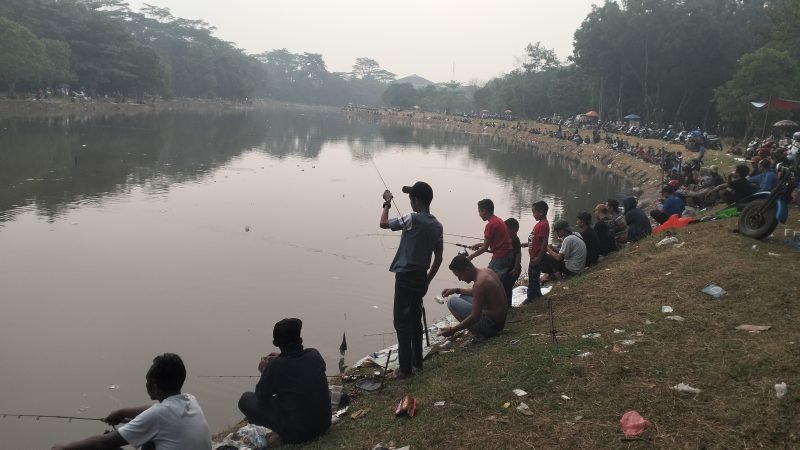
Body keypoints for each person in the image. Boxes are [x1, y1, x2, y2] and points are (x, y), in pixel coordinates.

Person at [52, 353, 211, 450]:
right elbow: (157, 412)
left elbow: (104, 443)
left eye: (147, 381)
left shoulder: (158, 415)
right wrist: (123, 413)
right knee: (148, 440)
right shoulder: (190, 400)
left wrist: (64, 448)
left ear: (154, 387)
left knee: (104, 445)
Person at [379, 181, 443, 378]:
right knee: (415, 321)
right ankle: (417, 363)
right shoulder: (437, 225)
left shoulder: (412, 219)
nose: (409, 201)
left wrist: (387, 203)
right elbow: (438, 258)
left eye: (410, 198)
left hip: (406, 277)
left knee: (401, 322)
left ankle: (405, 369)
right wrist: (428, 281)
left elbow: (383, 223)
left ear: (416, 200)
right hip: (421, 277)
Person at [238, 318, 331, 445]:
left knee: (245, 399)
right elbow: (299, 369)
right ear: (301, 340)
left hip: (297, 434)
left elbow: (261, 398)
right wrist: (282, 358)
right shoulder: (314, 354)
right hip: (324, 424)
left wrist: (265, 371)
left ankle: (280, 433)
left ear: (275, 343)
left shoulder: (275, 366)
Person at [439, 255, 508, 340]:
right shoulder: (487, 271)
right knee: (463, 296)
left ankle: (477, 335)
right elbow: (479, 293)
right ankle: (478, 332)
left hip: (491, 327)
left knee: (452, 302)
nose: (460, 279)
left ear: (467, 269)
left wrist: (452, 330)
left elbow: (475, 316)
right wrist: (456, 290)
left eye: (460, 276)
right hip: (500, 322)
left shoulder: (479, 284)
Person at [468, 199, 513, 279]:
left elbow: (485, 248)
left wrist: (471, 257)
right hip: (508, 255)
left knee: (488, 279)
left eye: (479, 211)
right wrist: (478, 244)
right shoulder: (498, 220)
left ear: (484, 211)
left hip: (501, 257)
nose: (479, 214)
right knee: (497, 281)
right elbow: (497, 242)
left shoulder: (490, 225)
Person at [522, 201, 549, 303]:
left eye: (534, 212)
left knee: (533, 277)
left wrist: (539, 257)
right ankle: (537, 294)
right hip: (534, 256)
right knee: (534, 276)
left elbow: (544, 242)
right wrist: (527, 244)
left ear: (541, 212)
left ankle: (531, 297)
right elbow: (536, 239)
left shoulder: (543, 225)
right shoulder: (540, 224)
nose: (533, 214)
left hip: (536, 257)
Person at [502, 218, 522, 306]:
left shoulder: (515, 240)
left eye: (506, 229)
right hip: (507, 269)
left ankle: (508, 306)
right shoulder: (507, 239)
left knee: (507, 287)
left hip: (513, 269)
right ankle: (505, 305)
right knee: (504, 287)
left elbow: (518, 254)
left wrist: (516, 268)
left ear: (514, 230)